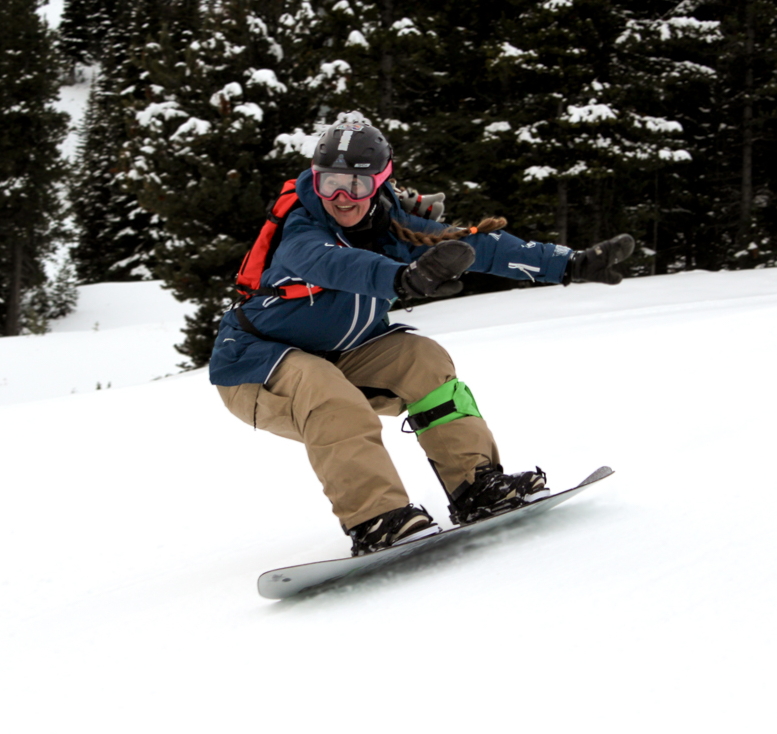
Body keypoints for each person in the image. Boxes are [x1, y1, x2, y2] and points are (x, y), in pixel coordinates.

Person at [210, 112, 634, 556]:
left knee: (422, 359)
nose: (341, 196)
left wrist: (567, 264)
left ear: (380, 182)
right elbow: (333, 263)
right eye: (329, 182)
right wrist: (402, 279)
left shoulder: (391, 227)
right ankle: (376, 519)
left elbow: (480, 246)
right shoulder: (302, 229)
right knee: (326, 393)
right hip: (256, 366)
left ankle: (477, 485)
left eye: (356, 184)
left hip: (341, 354)